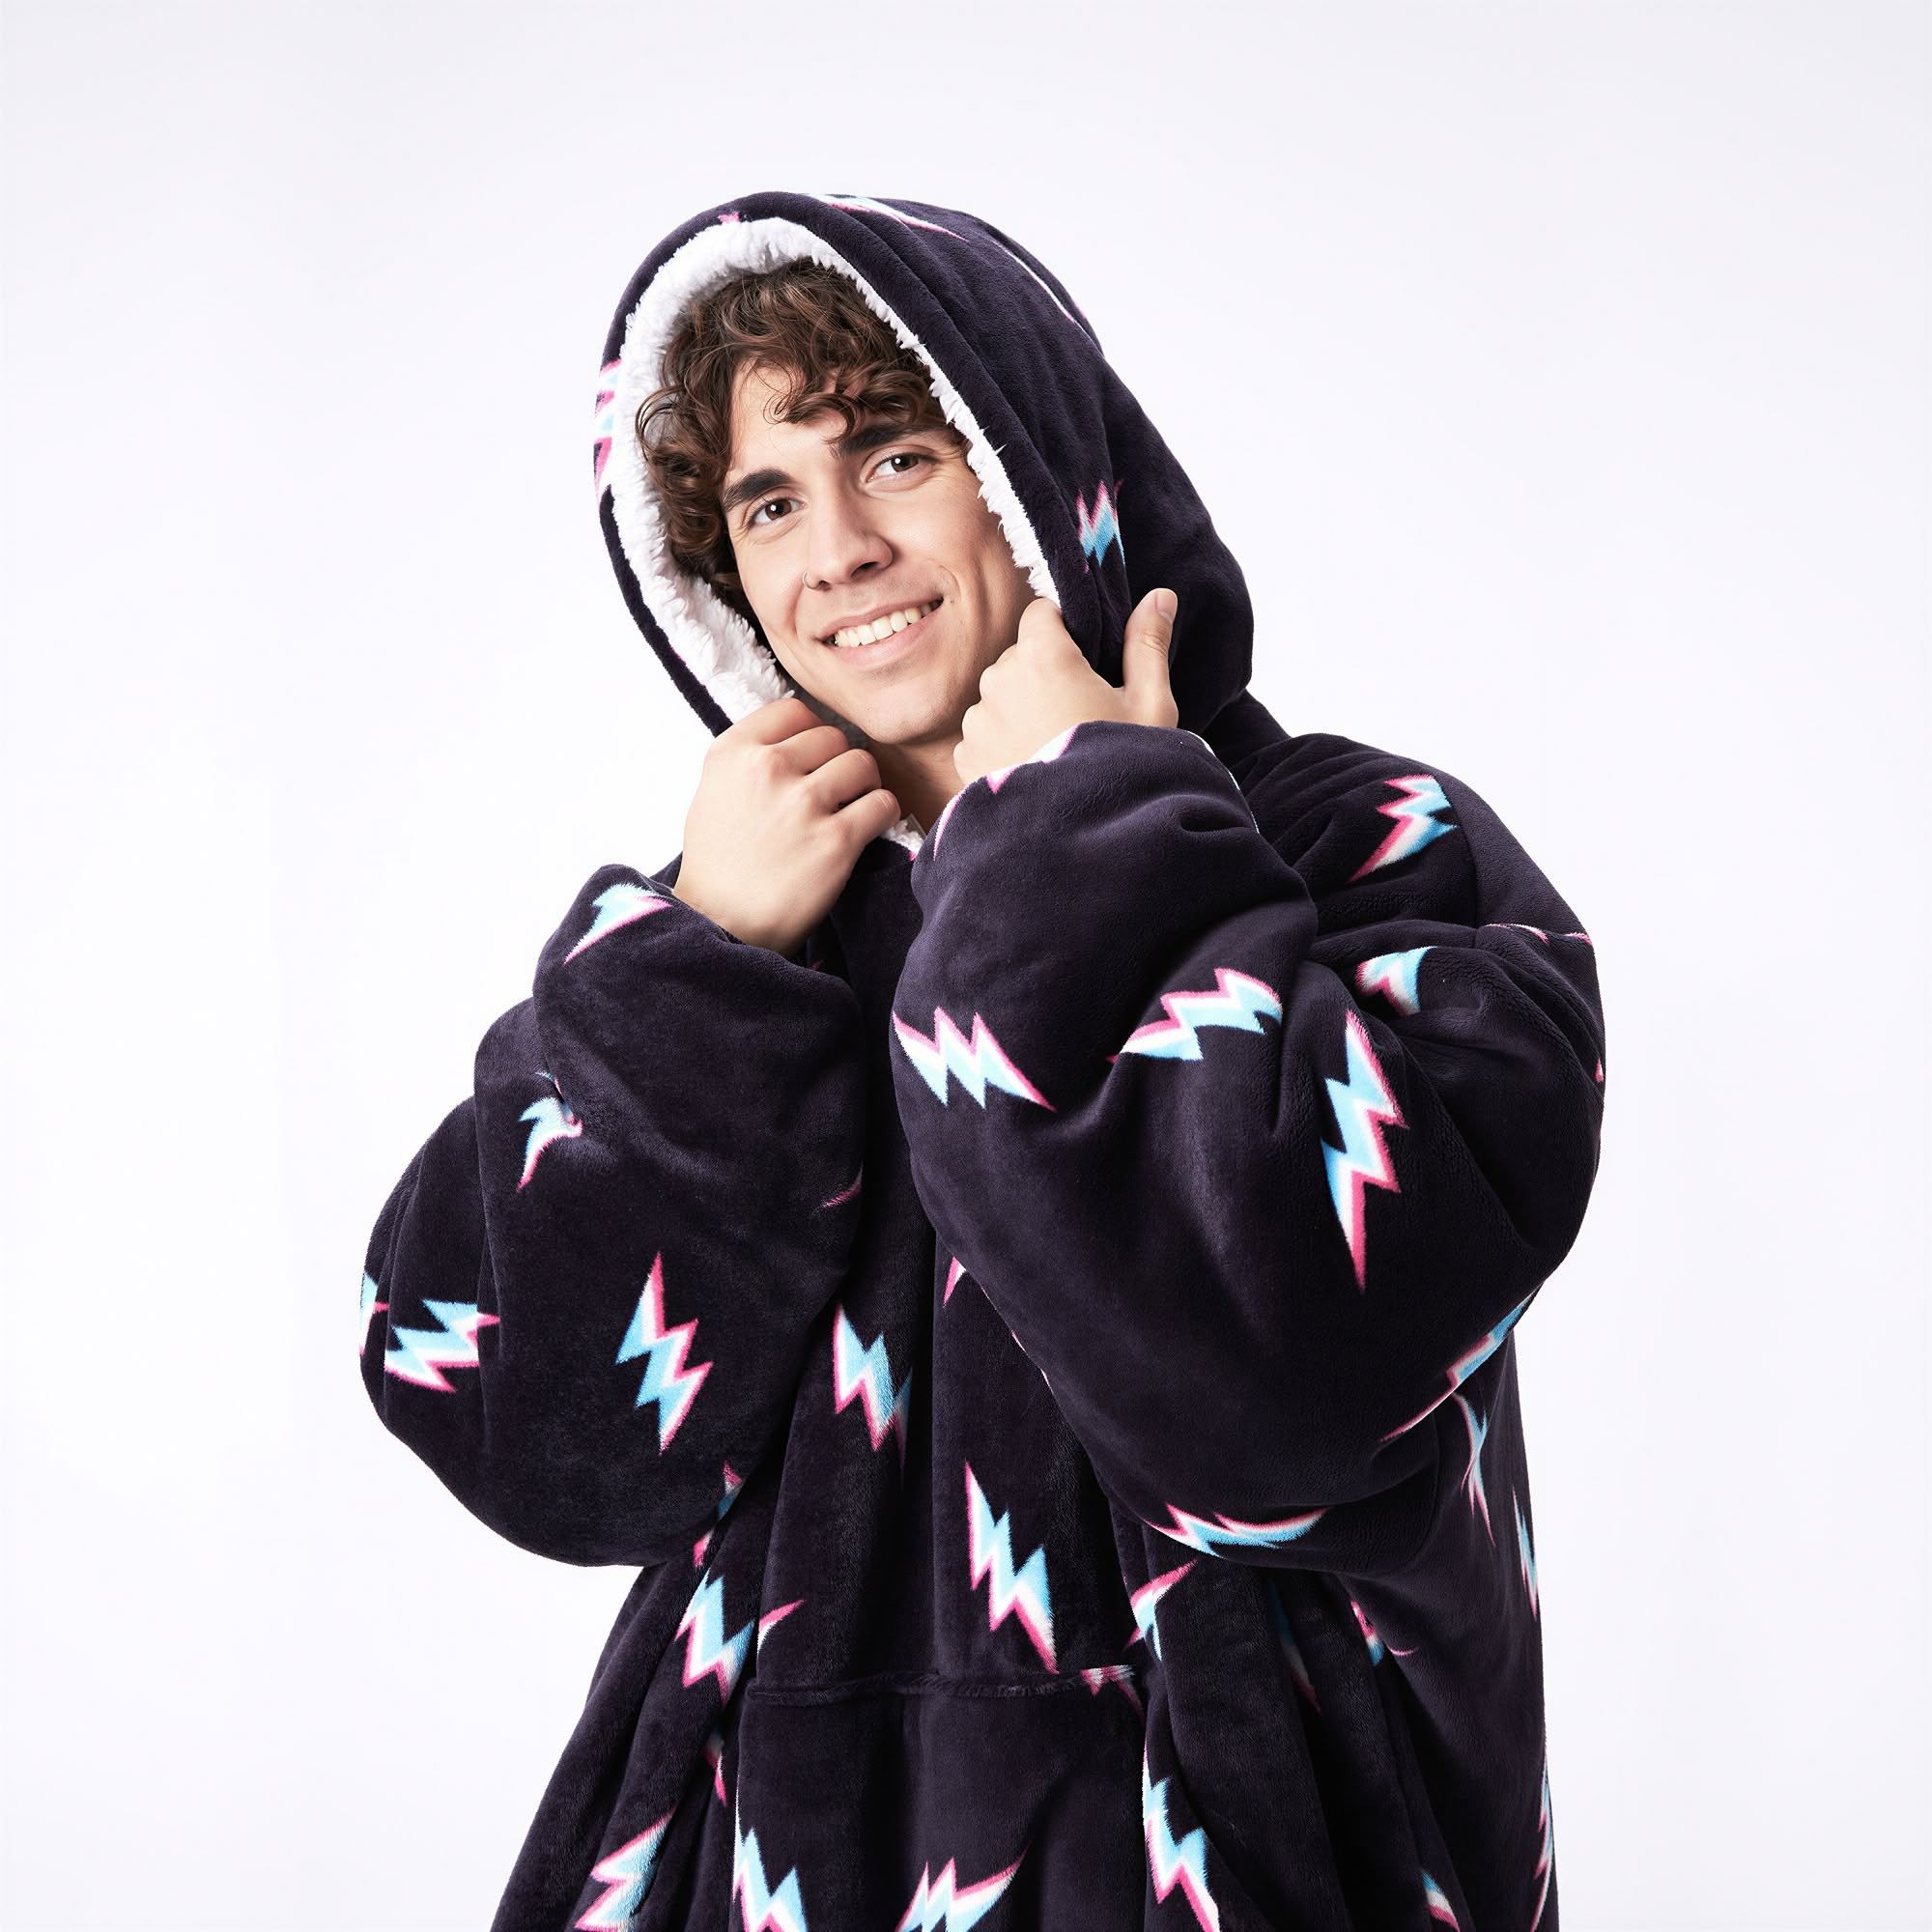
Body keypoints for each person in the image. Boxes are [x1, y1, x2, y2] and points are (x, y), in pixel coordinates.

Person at [359, 190, 1606, 1931]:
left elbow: (1288, 1401)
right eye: (768, 502)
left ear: (1034, 474)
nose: (837, 551)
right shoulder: (740, 939)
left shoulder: (1368, 855)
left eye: (894, 454)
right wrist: (698, 971)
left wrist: (1092, 845)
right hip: (762, 1868)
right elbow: (531, 1439)